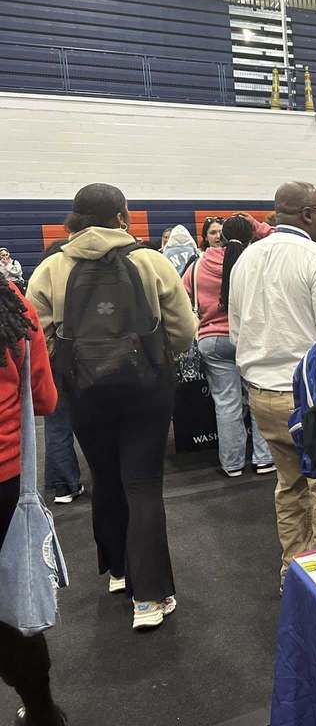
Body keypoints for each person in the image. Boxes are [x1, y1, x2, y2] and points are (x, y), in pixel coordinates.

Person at [28, 183, 197, 630]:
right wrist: (165, 356)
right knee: (142, 484)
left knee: (104, 477)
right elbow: (183, 327)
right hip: (146, 387)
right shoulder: (150, 261)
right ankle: (151, 597)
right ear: (122, 217)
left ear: (74, 220)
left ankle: (119, 572)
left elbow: (35, 336)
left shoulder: (51, 268)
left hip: (85, 390)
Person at [229, 181, 316, 586]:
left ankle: (293, 570)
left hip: (259, 393)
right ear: (308, 215)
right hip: (308, 397)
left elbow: (235, 329)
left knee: (288, 486)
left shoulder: (246, 258)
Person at [0, 279, 67, 726]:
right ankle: (41, 710)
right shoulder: (9, 299)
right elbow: (43, 398)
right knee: (14, 600)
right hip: (6, 477)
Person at [183, 214, 276, 477]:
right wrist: (258, 225)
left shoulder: (197, 266)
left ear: (219, 238)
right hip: (249, 338)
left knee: (226, 403)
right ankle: (264, 459)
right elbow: (280, 237)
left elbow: (183, 298)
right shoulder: (255, 262)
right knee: (258, 399)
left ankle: (232, 463)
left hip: (212, 340)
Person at [37, 241, 83, 505]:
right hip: (86, 358)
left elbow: (36, 328)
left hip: (54, 360)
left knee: (56, 425)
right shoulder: (80, 277)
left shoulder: (43, 277)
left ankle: (64, 486)